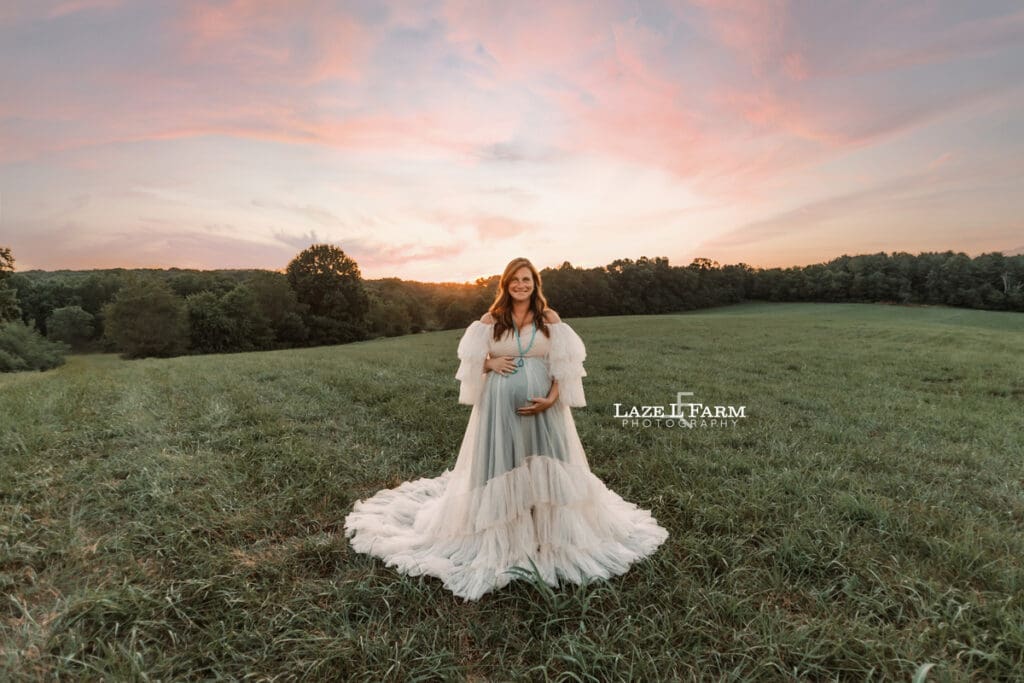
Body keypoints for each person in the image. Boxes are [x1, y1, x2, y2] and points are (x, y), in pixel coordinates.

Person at [343, 257, 669, 601]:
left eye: (526, 279)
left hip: (545, 410)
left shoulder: (550, 320)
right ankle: (504, 533)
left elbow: (564, 367)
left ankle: (547, 532)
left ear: (535, 283)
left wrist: (550, 399)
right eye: (515, 280)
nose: (521, 285)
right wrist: (490, 361)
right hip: (499, 411)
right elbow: (469, 364)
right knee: (501, 466)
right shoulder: (490, 320)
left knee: (547, 464)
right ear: (505, 284)